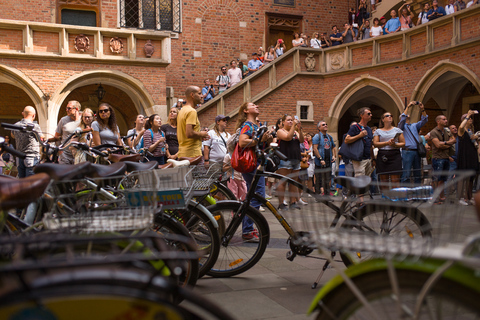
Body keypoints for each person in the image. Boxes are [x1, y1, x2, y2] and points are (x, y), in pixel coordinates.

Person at [236, 102, 272, 241]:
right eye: (253, 105)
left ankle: (248, 228)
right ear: (246, 110)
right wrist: (258, 140)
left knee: (252, 197)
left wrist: (266, 140)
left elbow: (259, 144)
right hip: (252, 163)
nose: (257, 105)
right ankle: (247, 230)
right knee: (258, 196)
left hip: (257, 162)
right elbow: (242, 142)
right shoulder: (248, 125)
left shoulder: (256, 125)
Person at [276, 114, 304, 210]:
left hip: (296, 158)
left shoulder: (295, 131)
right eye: (288, 120)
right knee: (283, 181)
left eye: (292, 120)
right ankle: (281, 203)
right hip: (285, 159)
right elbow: (288, 137)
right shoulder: (280, 131)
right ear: (283, 122)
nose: (291, 121)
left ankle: (293, 202)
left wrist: (300, 129)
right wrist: (293, 127)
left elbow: (302, 140)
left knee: (293, 182)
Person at [373, 112, 405, 189]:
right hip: (383, 155)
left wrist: (394, 145)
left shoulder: (397, 130)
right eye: (387, 116)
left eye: (391, 115)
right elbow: (375, 143)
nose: (390, 117)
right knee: (384, 181)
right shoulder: (378, 131)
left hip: (395, 154)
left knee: (395, 180)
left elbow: (403, 143)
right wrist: (387, 143)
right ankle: (386, 198)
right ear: (383, 119)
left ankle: (395, 198)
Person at [398, 101, 428, 184]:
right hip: (407, 151)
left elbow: (424, 120)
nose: (408, 114)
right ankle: (405, 194)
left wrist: (422, 109)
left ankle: (417, 193)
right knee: (406, 173)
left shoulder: (414, 125)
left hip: (416, 151)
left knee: (417, 173)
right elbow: (403, 117)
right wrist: (408, 107)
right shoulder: (401, 126)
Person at [177, 86, 210, 159]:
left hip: (183, 152)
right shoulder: (192, 111)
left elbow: (185, 133)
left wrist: (199, 136)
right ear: (192, 95)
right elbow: (189, 133)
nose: (202, 96)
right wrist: (201, 134)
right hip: (192, 154)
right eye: (199, 93)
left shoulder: (182, 110)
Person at [429, 115, 456, 201]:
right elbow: (438, 145)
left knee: (443, 179)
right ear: (438, 121)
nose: (446, 120)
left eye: (446, 119)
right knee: (436, 179)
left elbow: (454, 140)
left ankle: (441, 196)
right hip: (438, 158)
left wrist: (444, 144)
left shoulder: (447, 131)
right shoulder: (433, 132)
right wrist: (448, 144)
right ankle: (434, 197)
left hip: (446, 157)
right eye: (444, 119)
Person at [456, 110, 480, 205]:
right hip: (464, 156)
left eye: (470, 118)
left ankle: (469, 197)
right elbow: (461, 126)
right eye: (469, 119)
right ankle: (460, 198)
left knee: (471, 177)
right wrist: (468, 115)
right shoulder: (462, 131)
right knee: (463, 177)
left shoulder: (470, 131)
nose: (471, 120)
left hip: (472, 156)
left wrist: (477, 138)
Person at [12, 106, 42, 178]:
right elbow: (41, 137)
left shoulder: (16, 125)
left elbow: (12, 135)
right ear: (34, 115)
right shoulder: (34, 126)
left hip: (19, 157)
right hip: (31, 157)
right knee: (30, 182)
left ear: (23, 114)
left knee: (21, 182)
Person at [345, 107, 374, 177]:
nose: (371, 115)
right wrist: (359, 135)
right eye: (368, 114)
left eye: (371, 114)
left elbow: (370, 145)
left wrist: (373, 159)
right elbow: (347, 140)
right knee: (359, 180)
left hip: (368, 159)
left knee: (367, 180)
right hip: (359, 159)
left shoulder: (369, 129)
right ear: (362, 115)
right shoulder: (355, 127)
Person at [313, 121, 337, 195]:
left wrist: (333, 156)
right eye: (323, 125)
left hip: (328, 161)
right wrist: (320, 159)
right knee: (319, 179)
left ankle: (327, 195)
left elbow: (333, 147)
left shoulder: (329, 137)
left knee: (327, 179)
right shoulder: (317, 136)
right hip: (319, 162)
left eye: (326, 124)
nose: (325, 125)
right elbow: (315, 148)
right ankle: (317, 195)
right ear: (319, 128)